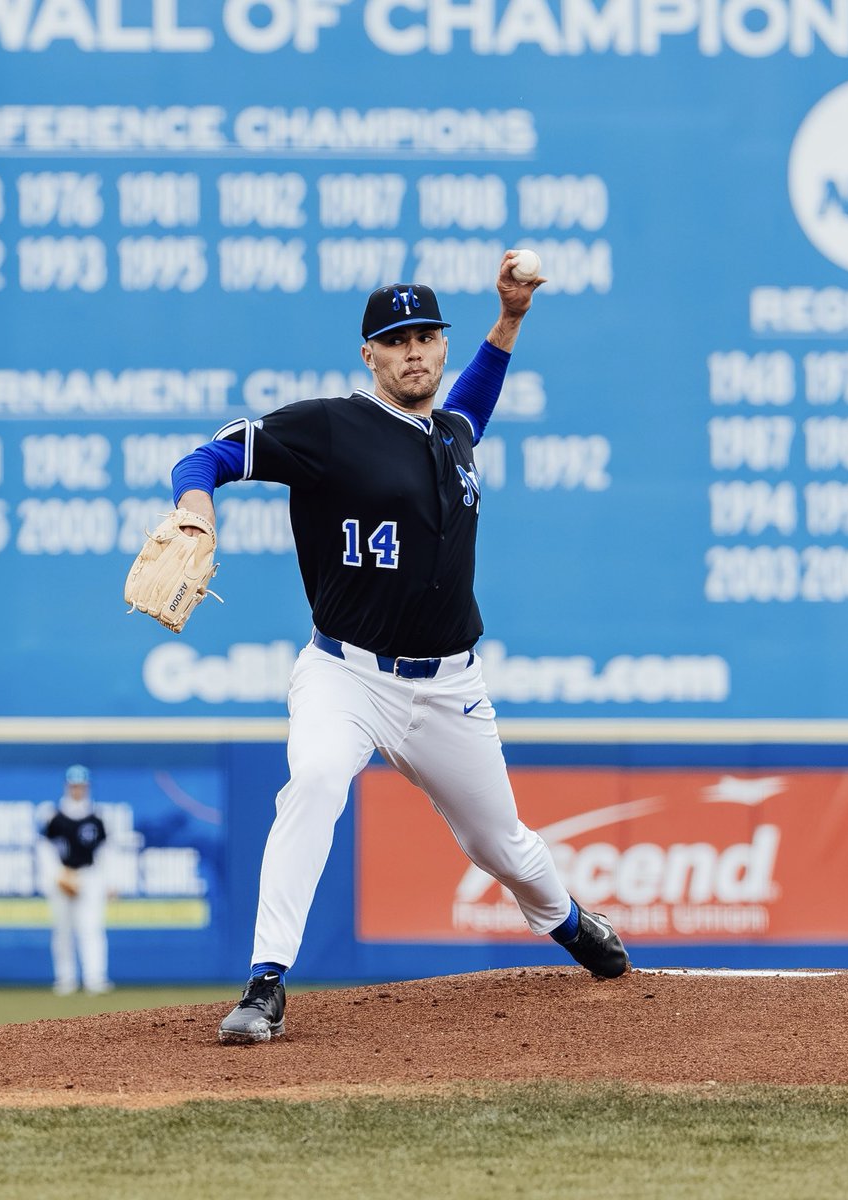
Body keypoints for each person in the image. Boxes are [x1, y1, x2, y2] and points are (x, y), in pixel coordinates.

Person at [170, 251, 630, 1044]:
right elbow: (209, 455)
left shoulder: (452, 433)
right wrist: (194, 508)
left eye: (426, 336)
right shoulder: (330, 427)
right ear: (370, 354)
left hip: (449, 687)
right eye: (396, 339)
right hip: (345, 677)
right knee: (315, 781)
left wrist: (510, 318)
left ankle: (565, 921)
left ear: (441, 346)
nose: (414, 350)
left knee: (502, 846)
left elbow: (475, 402)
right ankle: (265, 982)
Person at [39, 765, 113, 995]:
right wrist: (58, 875)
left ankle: (95, 978)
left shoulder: (96, 817)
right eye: (74, 786)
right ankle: (65, 979)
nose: (77, 790)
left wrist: (109, 881)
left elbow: (105, 852)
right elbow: (45, 849)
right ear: (67, 787)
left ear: (87, 787)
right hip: (63, 875)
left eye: (81, 786)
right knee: (62, 930)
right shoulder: (55, 817)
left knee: (91, 928)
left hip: (89, 875)